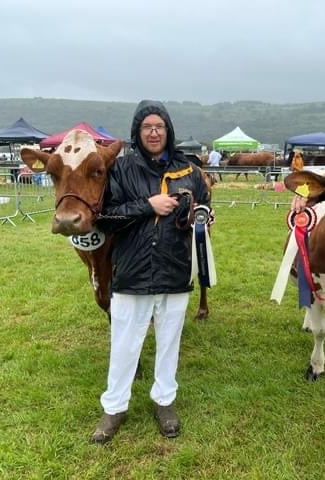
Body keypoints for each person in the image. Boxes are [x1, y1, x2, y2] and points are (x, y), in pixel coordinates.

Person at [90, 100, 211, 444]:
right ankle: (114, 407)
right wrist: (148, 206)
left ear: (168, 130)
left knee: (169, 342)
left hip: (175, 271)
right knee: (124, 344)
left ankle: (165, 401)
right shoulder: (122, 169)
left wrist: (203, 215)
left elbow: (202, 206)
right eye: (147, 127)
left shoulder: (188, 171)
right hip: (132, 272)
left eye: (159, 126)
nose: (154, 132)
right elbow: (105, 216)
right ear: (138, 132)